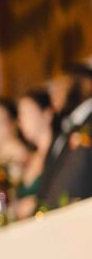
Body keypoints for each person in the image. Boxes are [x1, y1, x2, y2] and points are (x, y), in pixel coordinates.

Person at [39, 64, 92, 209]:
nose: (54, 93)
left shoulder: (88, 123)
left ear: (85, 84)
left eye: (61, 85)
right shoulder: (66, 129)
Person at [14, 89, 57, 218]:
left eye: (27, 113)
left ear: (47, 114)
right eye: (20, 115)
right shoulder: (28, 158)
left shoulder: (60, 152)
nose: (21, 121)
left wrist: (35, 203)